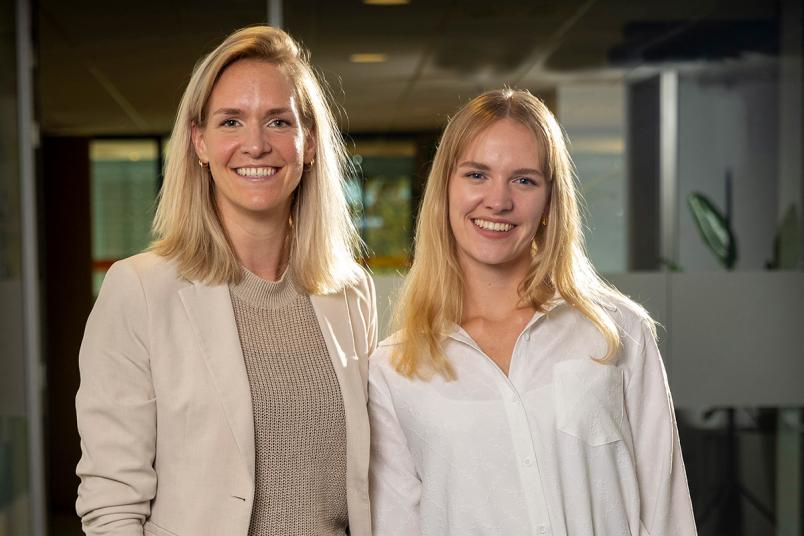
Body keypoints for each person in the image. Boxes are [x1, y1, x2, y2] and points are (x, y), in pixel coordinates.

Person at [75, 26, 376, 536]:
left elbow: (371, 480)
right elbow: (112, 504)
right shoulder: (140, 291)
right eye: (231, 120)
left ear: (308, 144)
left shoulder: (349, 292)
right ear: (200, 142)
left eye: (278, 121)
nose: (255, 145)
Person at [368, 89, 697, 535]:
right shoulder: (394, 370)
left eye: (524, 180)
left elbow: (667, 510)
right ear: (445, 188)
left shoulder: (617, 333)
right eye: (477, 174)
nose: (498, 201)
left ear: (549, 202)